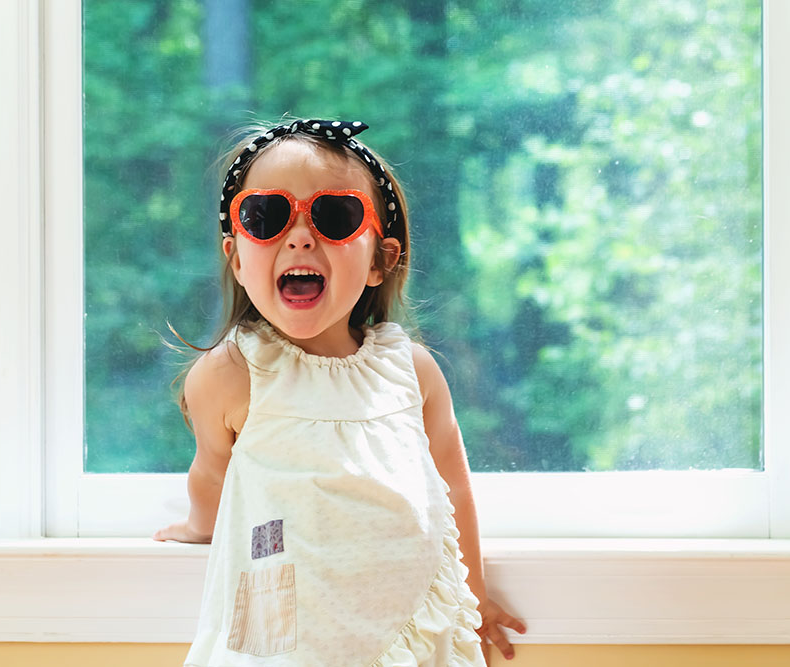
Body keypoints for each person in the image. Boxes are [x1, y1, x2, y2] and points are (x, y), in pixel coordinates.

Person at [154, 118, 525, 666]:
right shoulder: (232, 372)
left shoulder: (411, 372)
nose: (300, 235)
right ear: (236, 256)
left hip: (407, 632)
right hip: (283, 637)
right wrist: (196, 529)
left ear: (381, 260)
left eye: (335, 217)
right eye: (267, 216)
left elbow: (454, 491)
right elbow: (212, 475)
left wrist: (474, 596)